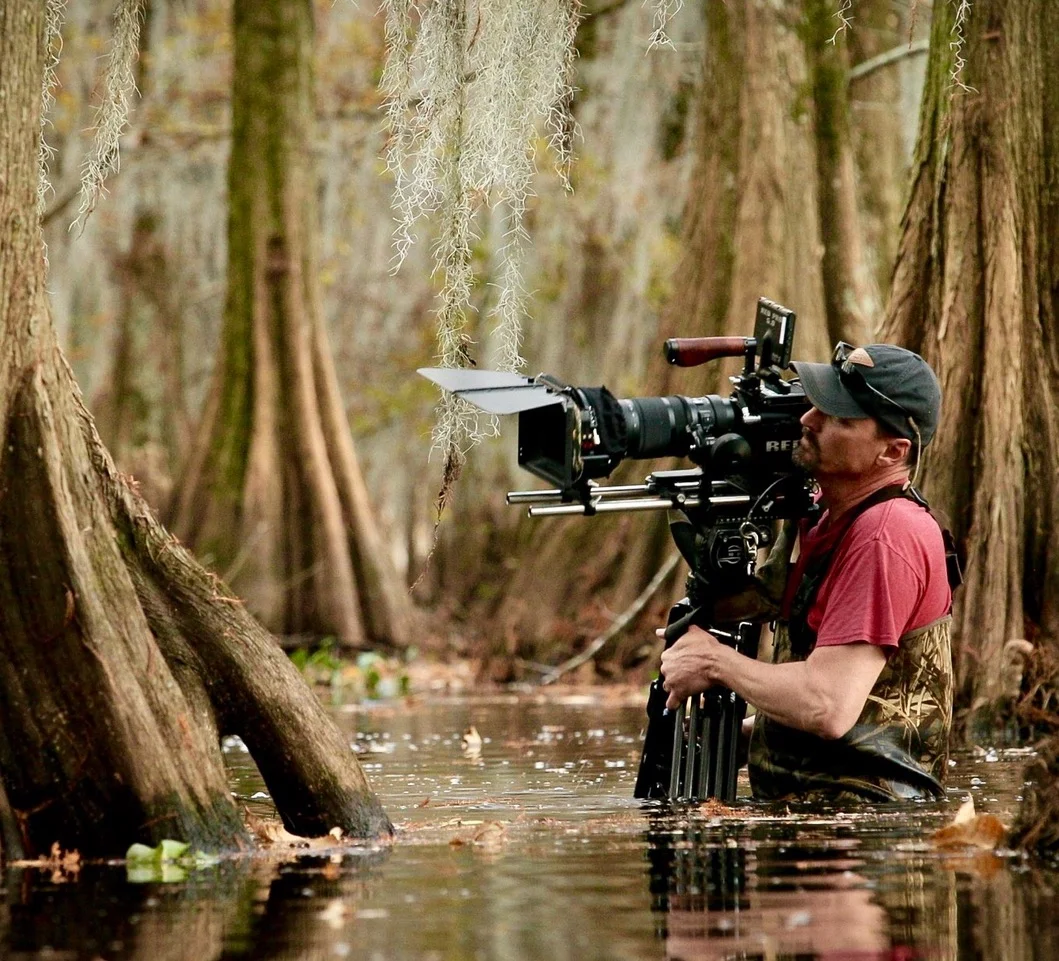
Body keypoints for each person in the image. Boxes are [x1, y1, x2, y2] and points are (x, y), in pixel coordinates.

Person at [659, 342, 956, 802]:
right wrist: (741, 737)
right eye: (817, 404)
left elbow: (829, 705)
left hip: (866, 837)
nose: (808, 420)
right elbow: (869, 709)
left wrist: (715, 663)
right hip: (814, 813)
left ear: (891, 451)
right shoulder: (824, 516)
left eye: (838, 417)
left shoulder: (886, 534)